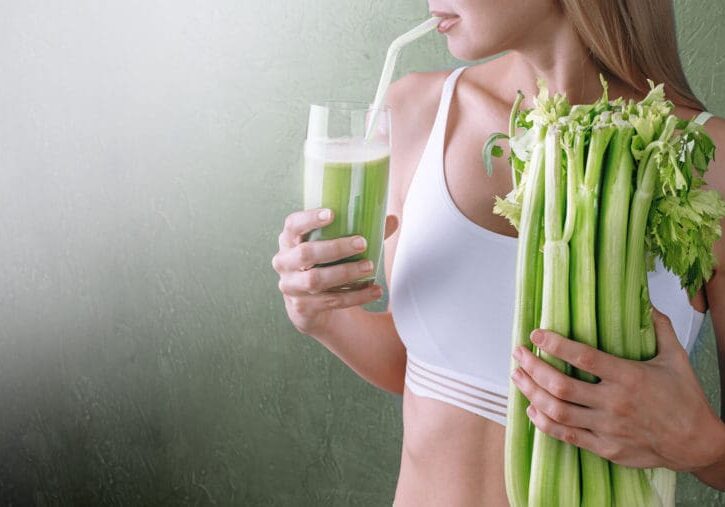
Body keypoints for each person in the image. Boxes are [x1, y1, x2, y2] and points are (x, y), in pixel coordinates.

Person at [272, 0, 725, 504]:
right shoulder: (418, 112)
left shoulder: (709, 160)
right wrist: (322, 318)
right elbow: (419, 364)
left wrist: (701, 445)